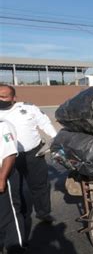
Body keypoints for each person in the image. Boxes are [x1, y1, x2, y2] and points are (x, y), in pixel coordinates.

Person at [0, 84, 57, 222]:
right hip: (8, 158)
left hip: (33, 154)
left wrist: (55, 139)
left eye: (4, 96)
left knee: (40, 185)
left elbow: (44, 123)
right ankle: (19, 216)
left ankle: (43, 213)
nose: (0, 99)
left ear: (14, 98)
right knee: (15, 189)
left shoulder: (28, 108)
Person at [0, 119, 25, 254]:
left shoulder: (3, 125)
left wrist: (2, 178)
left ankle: (15, 247)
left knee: (9, 214)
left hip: (4, 173)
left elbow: (10, 154)